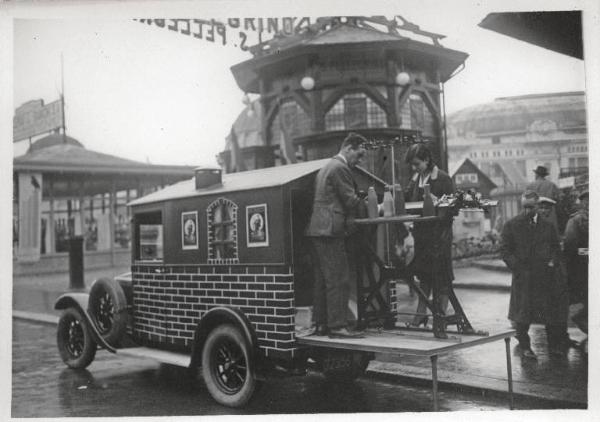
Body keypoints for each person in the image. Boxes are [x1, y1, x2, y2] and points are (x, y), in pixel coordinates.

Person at [306, 132, 368, 339]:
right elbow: (350, 200)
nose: (359, 161)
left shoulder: (326, 167)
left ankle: (321, 324)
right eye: (358, 155)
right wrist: (375, 208)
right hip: (330, 230)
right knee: (339, 278)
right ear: (348, 148)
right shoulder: (340, 168)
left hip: (318, 229)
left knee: (324, 279)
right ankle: (337, 326)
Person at [500, 191, 562, 358]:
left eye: (531, 207)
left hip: (544, 277)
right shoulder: (512, 225)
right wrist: (517, 267)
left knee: (549, 313)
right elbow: (505, 250)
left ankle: (554, 347)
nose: (527, 211)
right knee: (522, 315)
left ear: (537, 205)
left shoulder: (547, 226)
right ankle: (525, 347)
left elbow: (556, 248)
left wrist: (552, 262)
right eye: (524, 207)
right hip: (524, 277)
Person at [404, 143, 455, 338]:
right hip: (422, 236)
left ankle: (439, 319)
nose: (414, 168)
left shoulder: (443, 179)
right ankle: (420, 315)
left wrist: (436, 201)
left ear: (426, 160)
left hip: (439, 236)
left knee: (441, 278)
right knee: (424, 276)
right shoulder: (417, 177)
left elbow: (451, 209)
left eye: (416, 163)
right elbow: (408, 198)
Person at [564, 190, 588, 342]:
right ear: (582, 202)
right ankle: (581, 319)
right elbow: (571, 247)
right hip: (582, 268)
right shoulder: (576, 220)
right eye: (587, 201)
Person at [527, 166, 560, 232]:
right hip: (549, 212)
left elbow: (527, 201)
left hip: (535, 211)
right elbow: (558, 198)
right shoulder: (552, 185)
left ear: (537, 174)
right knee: (550, 230)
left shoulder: (530, 185)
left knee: (536, 230)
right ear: (544, 175)